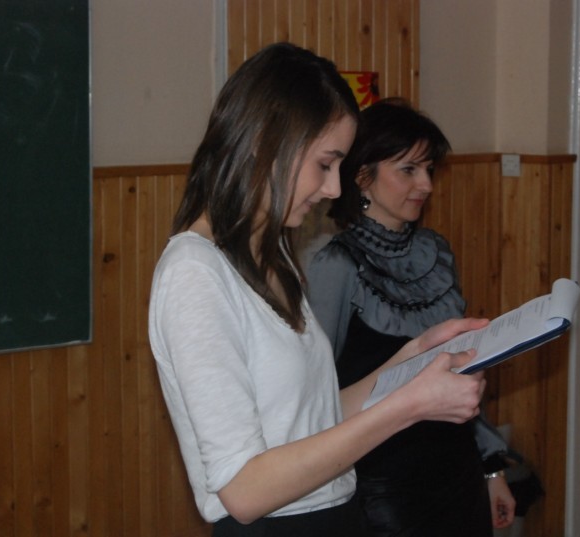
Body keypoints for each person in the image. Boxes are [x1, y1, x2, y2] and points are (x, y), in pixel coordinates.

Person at [148, 42, 491, 537]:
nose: (333, 189)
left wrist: (413, 358)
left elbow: (319, 418)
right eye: (324, 164)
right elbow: (245, 490)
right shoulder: (194, 273)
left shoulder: (273, 254)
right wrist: (409, 407)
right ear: (267, 143)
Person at [306, 97, 517, 536]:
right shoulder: (336, 266)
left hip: (458, 472)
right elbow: (316, 396)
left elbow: (462, 374)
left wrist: (492, 469)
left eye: (429, 169)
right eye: (409, 170)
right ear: (363, 177)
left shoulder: (434, 252)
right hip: (384, 487)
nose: (426, 184)